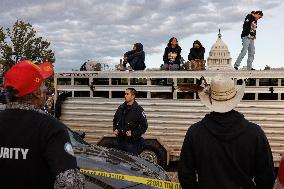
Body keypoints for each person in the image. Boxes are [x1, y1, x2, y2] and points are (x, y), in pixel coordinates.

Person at [178, 75, 275, 189]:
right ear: (235, 98)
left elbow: (185, 175)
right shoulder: (255, 133)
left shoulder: (194, 133)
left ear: (210, 99)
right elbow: (267, 177)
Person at [0, 60, 84, 189]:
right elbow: (71, 183)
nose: (46, 89)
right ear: (37, 93)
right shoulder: (50, 127)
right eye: (43, 84)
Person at [113, 88, 148, 155]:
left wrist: (133, 133)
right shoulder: (121, 108)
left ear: (133, 96)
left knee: (131, 163)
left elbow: (144, 126)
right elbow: (115, 120)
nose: (125, 96)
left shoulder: (138, 110)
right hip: (120, 142)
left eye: (127, 94)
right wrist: (115, 129)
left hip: (132, 144)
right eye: (125, 94)